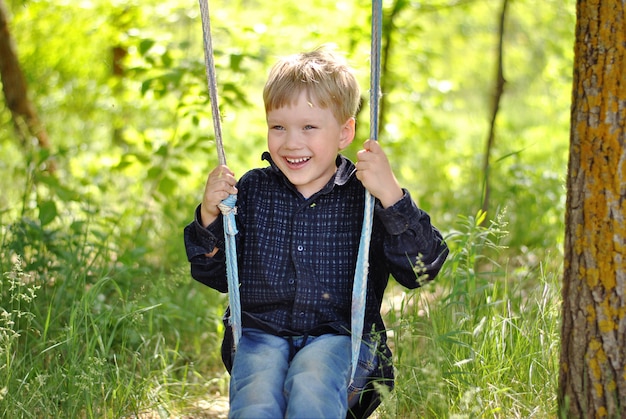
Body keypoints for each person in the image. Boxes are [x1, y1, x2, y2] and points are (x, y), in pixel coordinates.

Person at [184, 46, 448, 419]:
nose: (292, 142)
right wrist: (210, 214)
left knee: (312, 380)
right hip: (260, 333)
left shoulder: (367, 196)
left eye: (309, 127)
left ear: (344, 132)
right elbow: (216, 275)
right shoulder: (253, 190)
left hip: (343, 339)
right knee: (256, 396)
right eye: (279, 127)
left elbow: (421, 268)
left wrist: (391, 193)